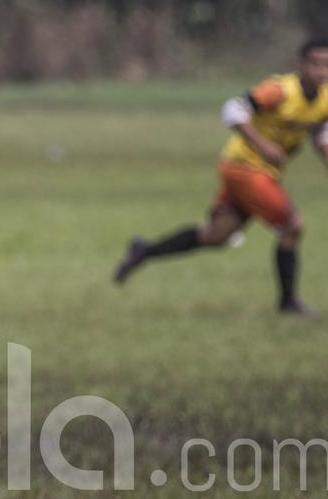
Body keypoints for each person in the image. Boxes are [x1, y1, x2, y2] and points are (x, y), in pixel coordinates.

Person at [114, 39, 328, 315]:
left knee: (217, 236)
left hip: (260, 172)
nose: (321, 71)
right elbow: (232, 110)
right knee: (292, 227)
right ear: (301, 64)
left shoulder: (324, 98)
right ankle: (288, 304)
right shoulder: (279, 90)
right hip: (244, 167)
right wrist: (263, 146)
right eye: (315, 63)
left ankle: (143, 251)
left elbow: (322, 135)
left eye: (327, 65)